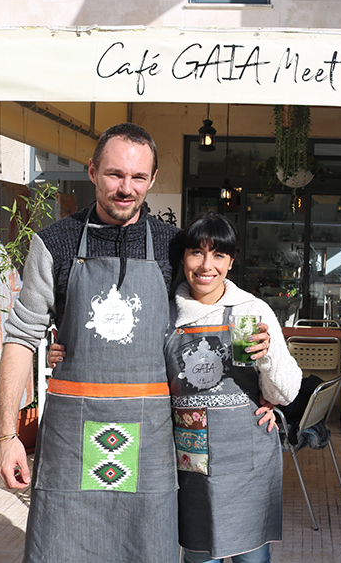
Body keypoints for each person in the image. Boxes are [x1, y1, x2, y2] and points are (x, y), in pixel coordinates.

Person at [0, 123, 275, 563]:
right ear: (92, 171)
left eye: (138, 177)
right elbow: (20, 336)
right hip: (72, 433)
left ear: (152, 178)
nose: (126, 188)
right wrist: (7, 435)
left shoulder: (172, 245)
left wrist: (260, 381)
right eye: (115, 174)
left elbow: (212, 313)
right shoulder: (53, 243)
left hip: (150, 435)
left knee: (146, 548)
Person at [50, 212, 300, 562]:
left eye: (219, 255)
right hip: (189, 458)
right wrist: (70, 350)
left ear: (231, 262)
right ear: (183, 258)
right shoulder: (164, 315)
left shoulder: (253, 311)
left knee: (252, 558)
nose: (206, 266)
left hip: (247, 457)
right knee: (199, 556)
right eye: (197, 252)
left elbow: (285, 392)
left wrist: (268, 357)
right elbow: (125, 358)